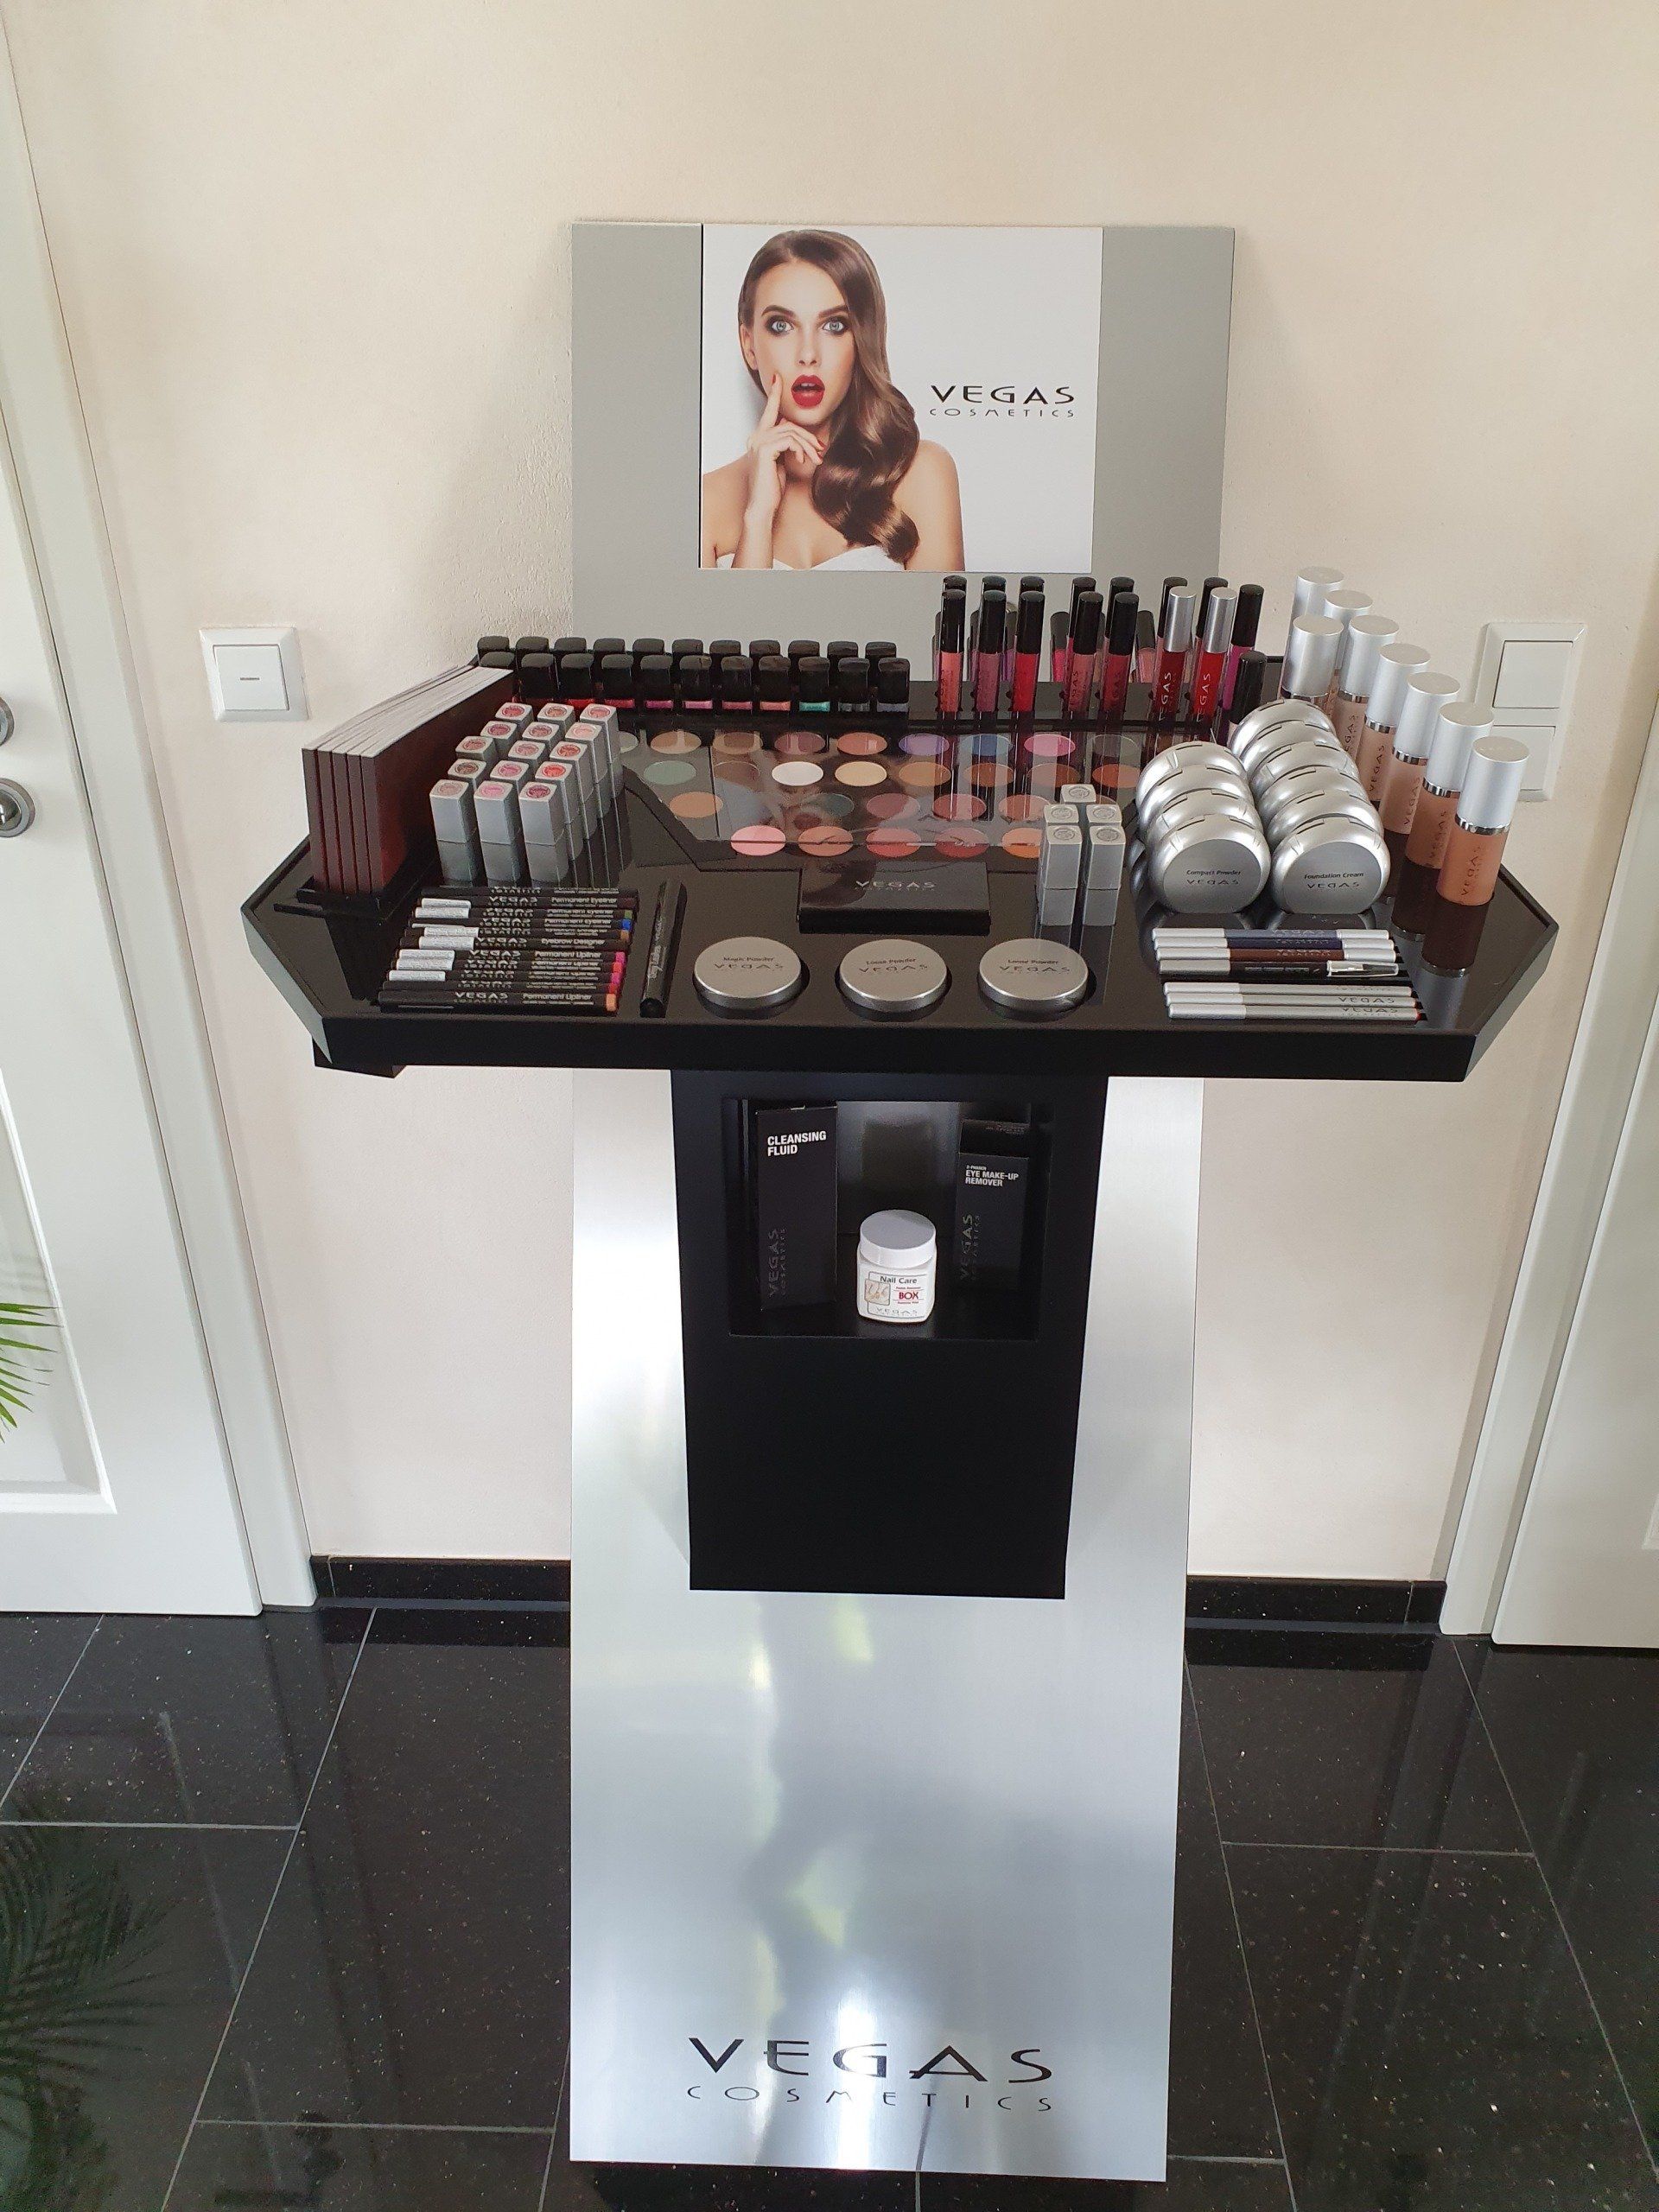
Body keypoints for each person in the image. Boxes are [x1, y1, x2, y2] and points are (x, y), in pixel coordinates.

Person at [702, 229, 964, 572]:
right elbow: (737, 611)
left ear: (862, 339)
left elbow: (938, 610)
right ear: (749, 344)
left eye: (834, 326)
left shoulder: (921, 472)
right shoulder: (705, 503)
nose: (808, 354)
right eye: (781, 326)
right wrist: (758, 517)